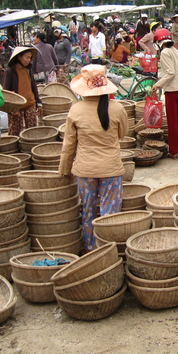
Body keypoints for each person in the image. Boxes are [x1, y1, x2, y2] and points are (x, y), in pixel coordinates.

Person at [59, 64, 129, 252]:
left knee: (88, 210)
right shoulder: (117, 108)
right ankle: (108, 250)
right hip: (110, 169)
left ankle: (91, 248)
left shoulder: (75, 110)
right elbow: (122, 134)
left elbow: (68, 146)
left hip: (85, 170)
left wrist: (64, 170)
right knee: (110, 214)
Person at [152, 29, 178, 159]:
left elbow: (170, 73)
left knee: (172, 119)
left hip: (172, 89)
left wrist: (157, 85)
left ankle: (173, 150)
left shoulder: (165, 52)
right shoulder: (176, 51)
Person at [3, 46, 43, 136]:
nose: (29, 60)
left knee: (32, 131)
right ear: (19, 57)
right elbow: (6, 92)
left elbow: (34, 88)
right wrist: (12, 109)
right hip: (17, 108)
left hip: (30, 104)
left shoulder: (28, 70)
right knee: (15, 132)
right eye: (27, 57)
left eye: (30, 58)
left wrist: (38, 103)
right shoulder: (10, 71)